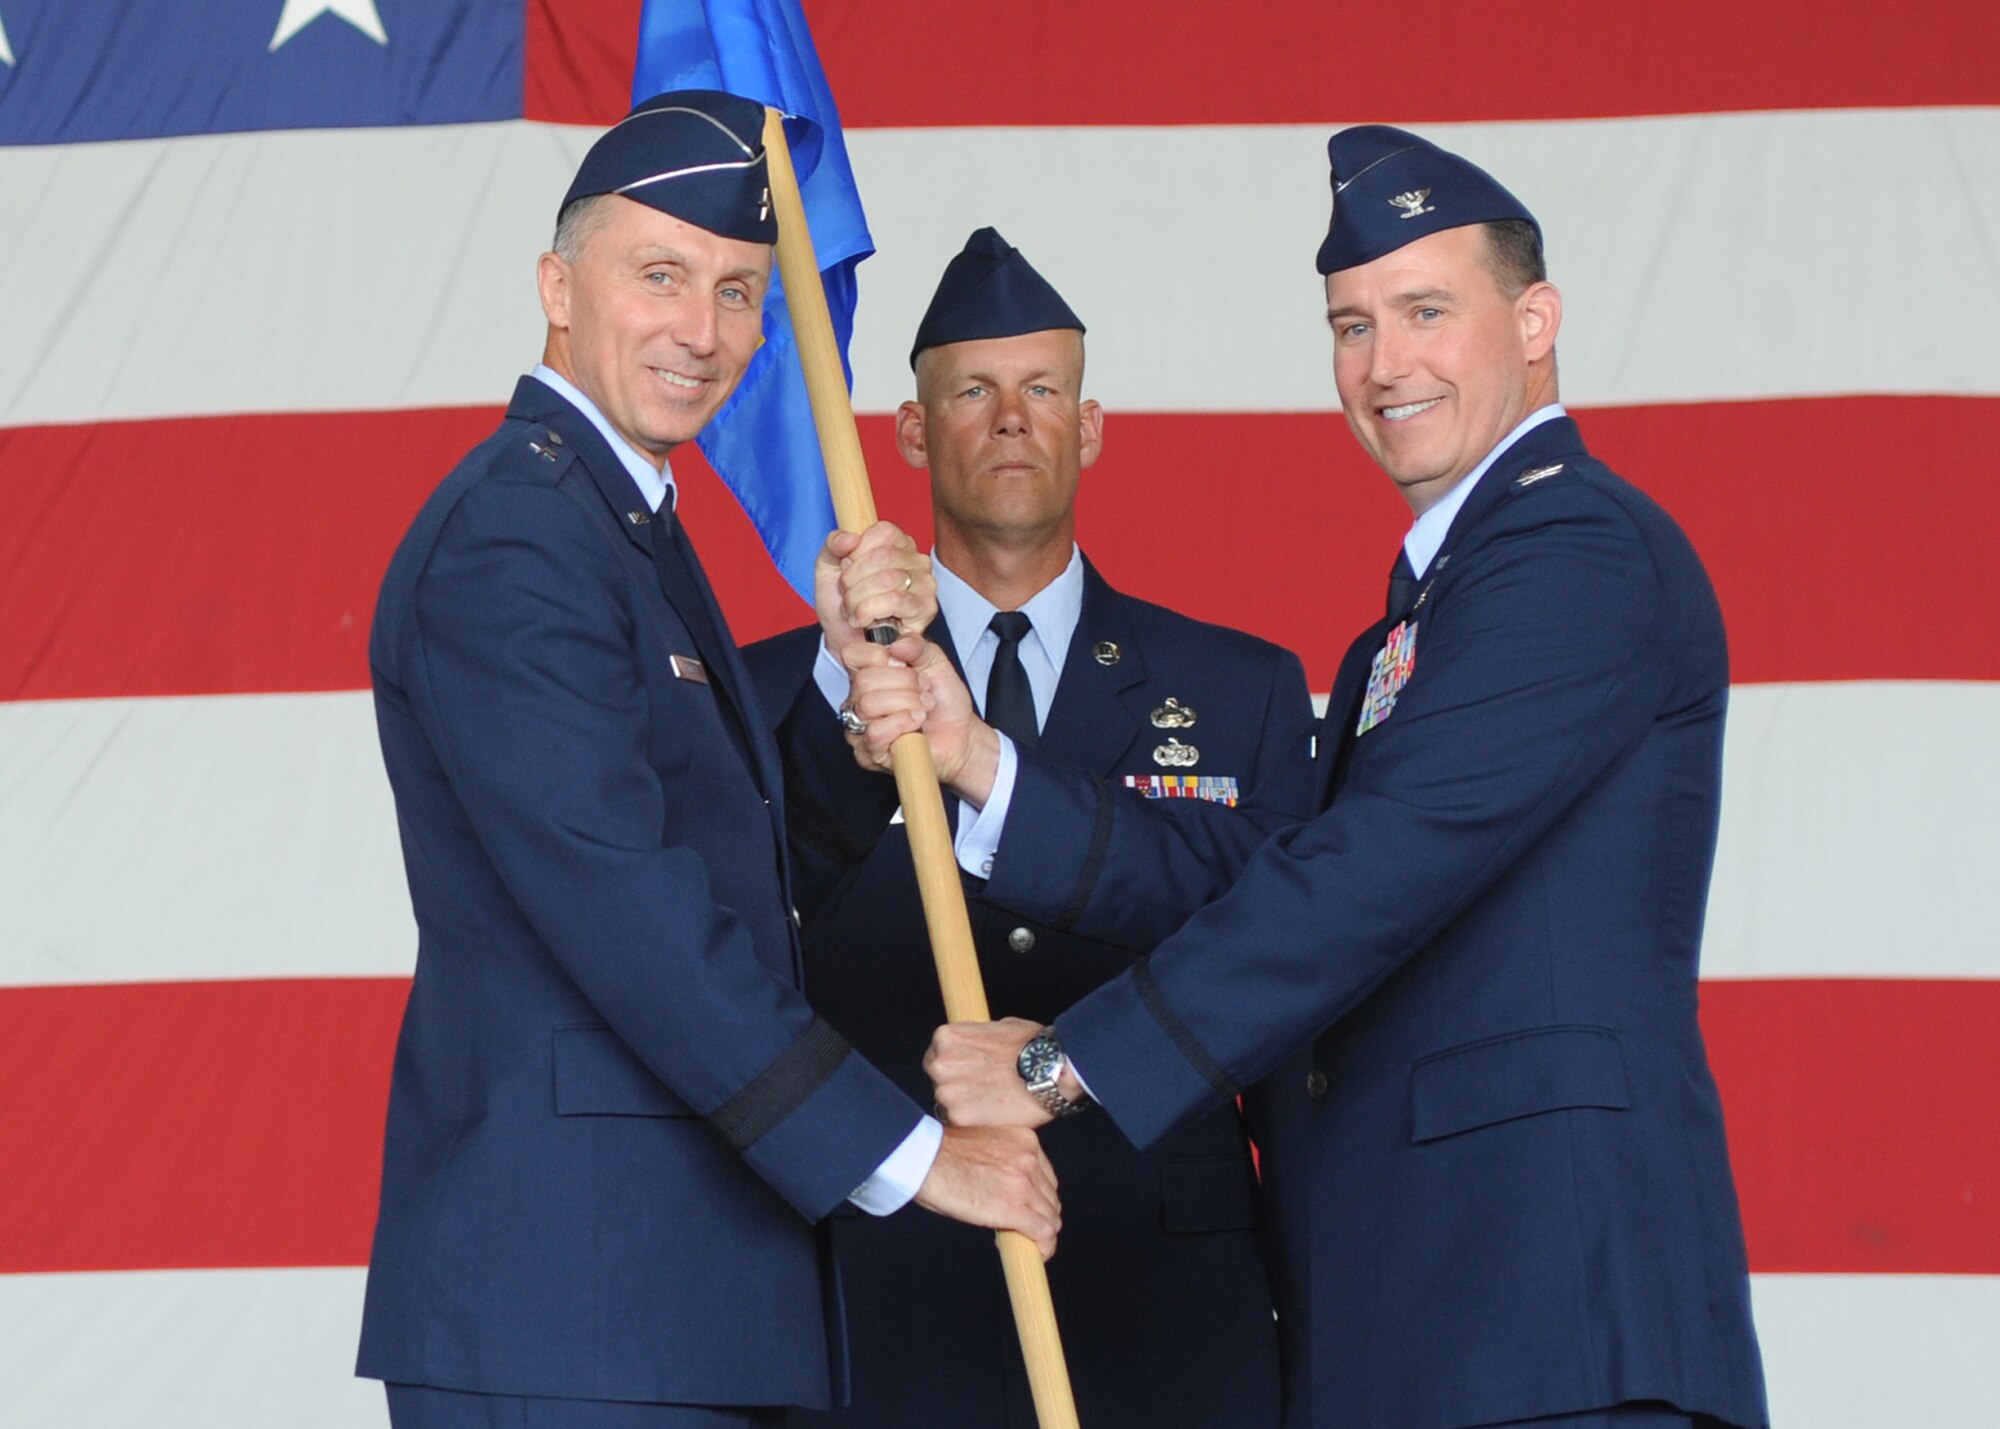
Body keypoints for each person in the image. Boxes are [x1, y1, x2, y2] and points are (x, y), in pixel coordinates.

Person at [886, 128, 1770, 1428]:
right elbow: (1274, 865)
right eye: (1352, 325)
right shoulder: (1421, 619)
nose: (1384, 363)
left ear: (1535, 321)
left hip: (1549, 1320)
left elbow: (1376, 870)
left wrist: (1065, 1065)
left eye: (1426, 311)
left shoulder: (1577, 550)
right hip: (1424, 1323)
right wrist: (982, 764)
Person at [355, 91, 1059, 1429]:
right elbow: (635, 914)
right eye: (662, 276)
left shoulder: (615, 525)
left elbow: (737, 861)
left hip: (672, 1302)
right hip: (581, 1309)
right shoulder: (520, 539)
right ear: (559, 287)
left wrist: (862, 703)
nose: (705, 329)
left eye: (742, 292)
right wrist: (919, 1158)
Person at [745, 228, 1315, 1428]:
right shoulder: (786, 693)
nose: (1011, 418)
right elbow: (765, 916)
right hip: (887, 1299)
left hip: (1164, 1307)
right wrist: (846, 672)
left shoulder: (1240, 686)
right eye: (972, 390)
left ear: (1089, 425)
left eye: (1041, 388)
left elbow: (1278, 946)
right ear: (909, 434)